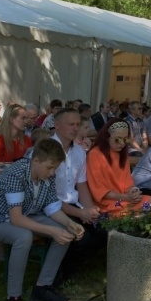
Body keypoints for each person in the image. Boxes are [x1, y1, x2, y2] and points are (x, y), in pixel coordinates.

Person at [0, 138, 85, 301]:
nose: (52, 172)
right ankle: (13, 298)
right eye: (49, 168)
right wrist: (51, 230)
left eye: (55, 168)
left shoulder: (46, 174)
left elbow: (52, 207)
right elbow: (16, 219)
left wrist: (69, 223)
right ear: (36, 161)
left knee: (64, 230)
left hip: (25, 214)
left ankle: (43, 288)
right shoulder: (16, 173)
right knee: (23, 237)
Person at [51, 108, 105, 281]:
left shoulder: (79, 151)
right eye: (71, 124)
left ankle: (69, 268)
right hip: (51, 208)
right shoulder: (47, 150)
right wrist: (80, 213)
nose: (75, 128)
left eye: (77, 124)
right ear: (57, 125)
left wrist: (89, 210)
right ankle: (60, 274)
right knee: (83, 237)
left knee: (103, 230)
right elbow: (47, 197)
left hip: (73, 204)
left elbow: (81, 184)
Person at [86, 120, 151, 215]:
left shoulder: (122, 154)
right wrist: (126, 197)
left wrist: (133, 192)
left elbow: (128, 183)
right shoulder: (94, 154)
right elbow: (99, 191)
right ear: (107, 137)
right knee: (135, 210)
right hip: (107, 202)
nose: (122, 143)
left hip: (125, 198)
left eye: (125, 140)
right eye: (118, 139)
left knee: (149, 200)